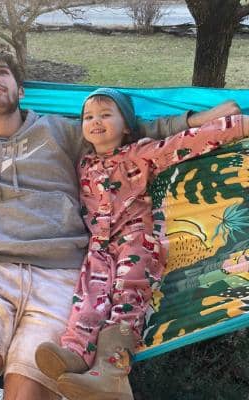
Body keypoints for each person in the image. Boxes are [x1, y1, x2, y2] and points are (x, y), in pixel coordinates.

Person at [0, 49, 241, 400]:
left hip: (64, 279)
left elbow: (132, 132)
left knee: (31, 389)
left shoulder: (61, 131)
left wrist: (200, 119)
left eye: (2, 72)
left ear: (20, 90)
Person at [35, 88, 249, 400]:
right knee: (88, 296)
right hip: (98, 247)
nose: (95, 122)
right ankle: (76, 352)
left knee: (126, 300)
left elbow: (183, 143)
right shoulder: (82, 162)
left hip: (136, 243)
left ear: (127, 126)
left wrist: (238, 125)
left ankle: (112, 373)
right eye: (88, 117)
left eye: (105, 115)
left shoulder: (139, 153)